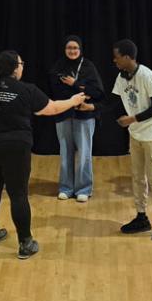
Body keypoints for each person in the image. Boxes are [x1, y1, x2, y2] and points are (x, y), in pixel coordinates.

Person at [0, 51, 86, 260]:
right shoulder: (26, 90)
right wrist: (73, 100)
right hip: (15, 147)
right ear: (15, 68)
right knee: (18, 193)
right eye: (21, 63)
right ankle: (25, 243)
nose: (23, 66)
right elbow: (51, 108)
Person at [111, 39, 152, 241]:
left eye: (117, 57)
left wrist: (132, 119)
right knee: (138, 177)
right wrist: (93, 108)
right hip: (136, 134)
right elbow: (115, 102)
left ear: (127, 57)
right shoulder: (121, 77)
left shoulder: (146, 75)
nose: (114, 60)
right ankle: (141, 217)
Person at [48, 35, 105, 202]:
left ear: (80, 49)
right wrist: (81, 93)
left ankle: (83, 189)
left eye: (75, 48)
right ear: (64, 49)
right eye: (69, 48)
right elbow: (55, 91)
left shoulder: (88, 66)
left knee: (84, 153)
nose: (72, 51)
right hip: (63, 114)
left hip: (85, 116)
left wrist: (75, 84)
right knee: (65, 152)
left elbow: (97, 92)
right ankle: (66, 187)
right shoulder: (58, 67)